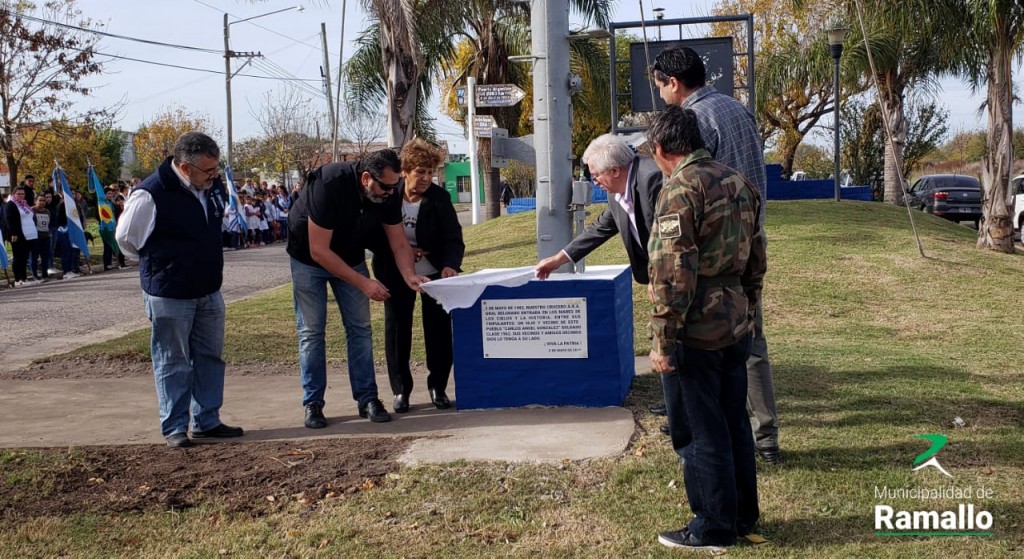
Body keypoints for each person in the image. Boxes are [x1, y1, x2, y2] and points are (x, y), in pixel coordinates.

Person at [652, 46, 781, 464]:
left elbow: (695, 197)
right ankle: (765, 437)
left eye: (660, 89)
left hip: (708, 268)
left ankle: (712, 452)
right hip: (747, 250)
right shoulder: (738, 110)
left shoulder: (693, 122)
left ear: (674, 83)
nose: (661, 99)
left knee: (703, 383)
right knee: (752, 347)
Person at [647, 105, 764, 551]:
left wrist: (663, 338)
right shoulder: (741, 183)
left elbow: (672, 270)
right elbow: (758, 256)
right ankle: (741, 515)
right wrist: (747, 307)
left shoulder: (679, 189)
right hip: (735, 320)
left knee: (698, 430)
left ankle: (713, 526)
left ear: (661, 149)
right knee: (733, 421)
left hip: (696, 327)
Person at [115, 131, 243, 448]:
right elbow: (127, 240)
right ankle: (174, 426)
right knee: (173, 360)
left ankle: (207, 421)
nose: (214, 177)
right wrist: (163, 264)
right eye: (207, 171)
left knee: (210, 357)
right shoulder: (151, 193)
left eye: (216, 169)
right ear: (185, 167)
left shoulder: (211, 189)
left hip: (209, 289)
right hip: (169, 293)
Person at [287, 148, 427, 428]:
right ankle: (313, 403)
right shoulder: (330, 184)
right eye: (386, 187)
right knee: (311, 333)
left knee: (360, 329)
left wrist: (410, 276)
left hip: (350, 255)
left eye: (394, 186)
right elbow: (320, 252)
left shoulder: (387, 190)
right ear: (366, 178)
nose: (391, 193)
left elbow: (399, 243)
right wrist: (365, 283)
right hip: (309, 259)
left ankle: (368, 399)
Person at [371, 139, 464, 412]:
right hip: (395, 272)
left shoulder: (439, 198)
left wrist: (451, 265)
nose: (426, 178)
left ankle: (438, 386)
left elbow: (453, 238)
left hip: (434, 273)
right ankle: (401, 390)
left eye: (430, 172)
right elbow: (375, 235)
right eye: (420, 171)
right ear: (405, 171)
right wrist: (404, 249)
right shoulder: (388, 195)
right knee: (398, 330)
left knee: (438, 331)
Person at [4, 186, 39, 286]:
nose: (20, 196)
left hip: (29, 235)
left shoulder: (24, 204)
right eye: (18, 194)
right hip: (18, 235)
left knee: (24, 257)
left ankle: (24, 278)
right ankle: (18, 279)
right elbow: (9, 221)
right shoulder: (11, 204)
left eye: (22, 194)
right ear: (14, 194)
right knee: (18, 257)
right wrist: (13, 233)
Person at [31, 194, 52, 280]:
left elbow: (48, 223)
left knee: (45, 257)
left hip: (46, 236)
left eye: (44, 201)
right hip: (36, 237)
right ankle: (35, 275)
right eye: (40, 200)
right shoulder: (32, 210)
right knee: (34, 257)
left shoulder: (47, 211)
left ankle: (45, 274)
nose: (42, 202)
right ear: (35, 201)